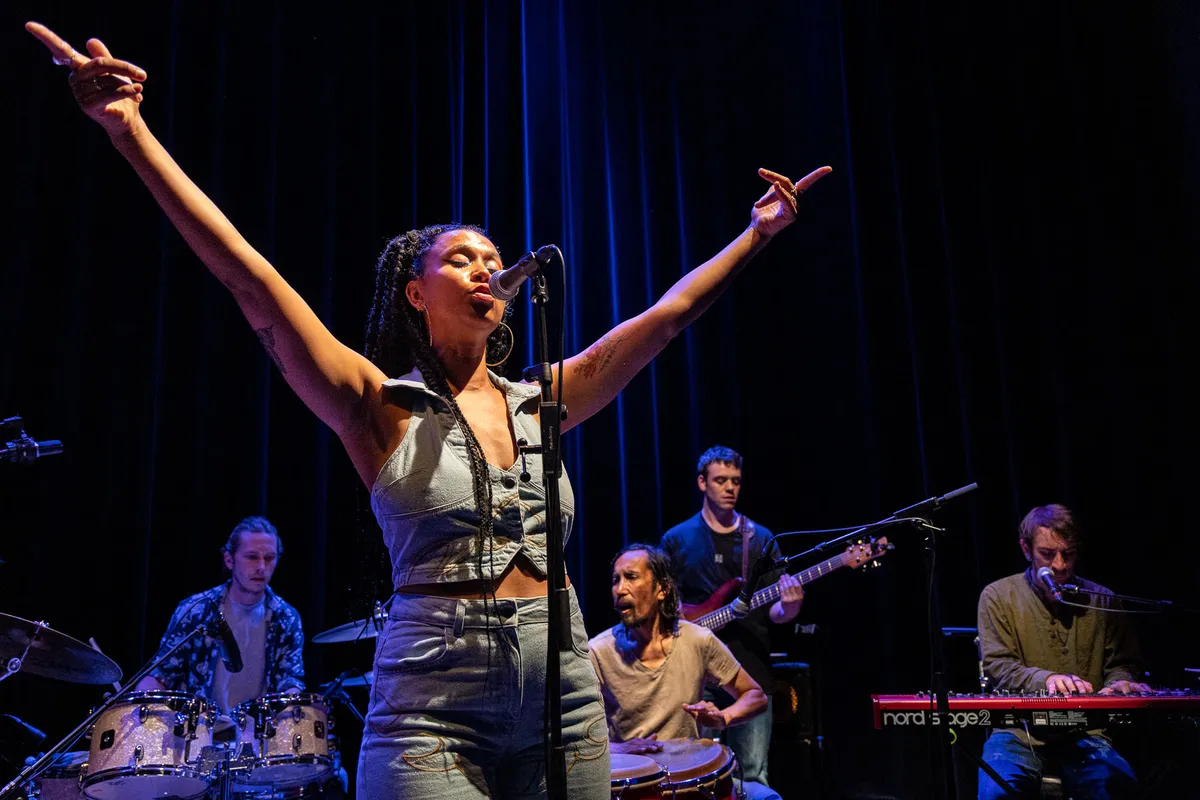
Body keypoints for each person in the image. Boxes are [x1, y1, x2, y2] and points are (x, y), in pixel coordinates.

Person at [26, 21, 830, 798]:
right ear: (416, 293)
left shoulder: (542, 400)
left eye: (492, 257)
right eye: (461, 258)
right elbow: (249, 278)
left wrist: (756, 235)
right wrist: (130, 132)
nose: (485, 267)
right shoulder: (376, 404)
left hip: (563, 696)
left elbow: (664, 320)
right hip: (431, 706)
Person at [976, 504, 1149, 800]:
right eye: (1047, 554)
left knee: (1117, 788)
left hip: (1087, 732)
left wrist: (1120, 683)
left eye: (1068, 554)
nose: (1060, 565)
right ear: (1026, 549)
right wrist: (1047, 680)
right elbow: (999, 665)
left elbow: (1124, 663)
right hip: (1017, 732)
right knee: (996, 794)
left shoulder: (1102, 599)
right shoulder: (998, 596)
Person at [588, 544, 780, 800]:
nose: (620, 589)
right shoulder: (598, 651)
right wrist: (618, 748)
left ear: (662, 589)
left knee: (767, 797)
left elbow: (755, 696)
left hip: (691, 781)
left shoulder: (697, 640)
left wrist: (723, 717)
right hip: (633, 787)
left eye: (631, 577)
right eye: (616, 580)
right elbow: (571, 735)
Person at [659, 445, 803, 788]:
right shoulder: (677, 539)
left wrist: (791, 607)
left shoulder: (761, 540)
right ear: (702, 482)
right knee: (695, 776)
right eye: (720, 480)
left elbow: (776, 613)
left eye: (735, 481)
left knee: (753, 777)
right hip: (696, 676)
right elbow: (663, 606)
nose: (729, 488)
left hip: (749, 676)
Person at [137, 516, 305, 710]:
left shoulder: (286, 617)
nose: (261, 567)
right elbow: (161, 675)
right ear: (229, 560)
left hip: (258, 727)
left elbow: (290, 680)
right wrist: (141, 703)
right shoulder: (197, 610)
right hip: (198, 725)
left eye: (269, 558)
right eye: (252, 557)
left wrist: (292, 701)